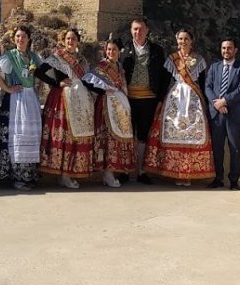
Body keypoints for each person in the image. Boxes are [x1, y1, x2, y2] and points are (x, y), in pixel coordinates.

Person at [145, 28, 215, 186]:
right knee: (172, 132)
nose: (183, 42)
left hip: (193, 101)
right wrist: (161, 101)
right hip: (174, 99)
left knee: (191, 134)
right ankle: (174, 170)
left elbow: (203, 83)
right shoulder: (172, 59)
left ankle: (189, 173)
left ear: (191, 41)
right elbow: (165, 81)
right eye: (180, 39)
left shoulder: (199, 60)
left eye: (186, 39)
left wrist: (205, 103)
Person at [37, 28, 98, 188]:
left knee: (74, 138)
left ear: (78, 41)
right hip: (62, 101)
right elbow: (39, 72)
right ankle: (62, 174)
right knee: (64, 137)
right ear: (63, 40)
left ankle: (69, 172)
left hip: (79, 102)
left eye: (73, 39)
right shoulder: (56, 58)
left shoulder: (83, 60)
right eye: (68, 39)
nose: (71, 42)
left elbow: (87, 79)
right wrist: (57, 83)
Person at [0, 26, 40, 190]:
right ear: (13, 39)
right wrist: (7, 88)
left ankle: (28, 175)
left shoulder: (33, 57)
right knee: (17, 136)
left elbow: (45, 72)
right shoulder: (9, 57)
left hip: (30, 99)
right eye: (17, 36)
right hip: (15, 101)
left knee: (30, 135)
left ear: (29, 39)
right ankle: (17, 176)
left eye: (24, 36)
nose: (20, 39)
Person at [119, 17, 168, 184]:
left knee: (143, 136)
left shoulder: (157, 50)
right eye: (134, 29)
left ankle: (141, 171)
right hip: (127, 99)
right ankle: (125, 170)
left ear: (147, 31)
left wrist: (160, 99)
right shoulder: (124, 49)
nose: (137, 32)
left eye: (140, 29)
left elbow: (164, 77)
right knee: (127, 135)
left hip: (149, 99)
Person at [85, 37, 137, 189]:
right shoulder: (102, 66)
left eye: (114, 49)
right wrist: (103, 90)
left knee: (117, 140)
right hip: (106, 107)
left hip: (120, 107)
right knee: (107, 139)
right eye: (108, 50)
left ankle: (111, 171)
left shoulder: (120, 68)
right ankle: (107, 172)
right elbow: (88, 81)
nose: (111, 52)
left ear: (119, 51)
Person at [203, 38, 240, 190]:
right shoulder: (214, 67)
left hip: (234, 114)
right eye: (223, 48)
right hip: (216, 115)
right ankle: (218, 178)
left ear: (235, 50)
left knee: (235, 147)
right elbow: (208, 87)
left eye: (229, 48)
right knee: (217, 147)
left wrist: (224, 101)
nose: (226, 51)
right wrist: (216, 103)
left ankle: (234, 180)